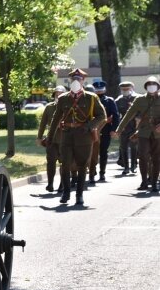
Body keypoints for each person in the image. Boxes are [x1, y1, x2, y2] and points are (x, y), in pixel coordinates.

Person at [48, 68, 106, 206]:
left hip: (84, 137)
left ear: (83, 81)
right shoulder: (63, 98)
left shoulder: (91, 97)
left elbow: (102, 116)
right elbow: (56, 119)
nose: (76, 81)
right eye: (74, 79)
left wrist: (89, 126)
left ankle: (79, 194)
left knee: (82, 166)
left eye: (78, 79)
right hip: (67, 136)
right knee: (65, 164)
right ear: (70, 81)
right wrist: (50, 137)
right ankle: (66, 192)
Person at [112, 76, 160, 192]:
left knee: (156, 158)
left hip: (158, 133)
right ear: (146, 87)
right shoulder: (140, 100)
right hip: (143, 132)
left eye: (154, 84)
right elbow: (128, 115)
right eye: (149, 84)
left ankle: (154, 182)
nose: (151, 86)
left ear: (158, 87)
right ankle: (144, 182)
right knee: (143, 156)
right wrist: (119, 130)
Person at [36, 86, 67, 193]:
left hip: (65, 140)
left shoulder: (69, 107)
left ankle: (62, 185)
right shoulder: (49, 107)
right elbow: (43, 123)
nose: (58, 95)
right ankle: (50, 184)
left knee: (64, 163)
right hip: (51, 139)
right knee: (50, 162)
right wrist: (39, 137)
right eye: (56, 94)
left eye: (61, 94)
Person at [89, 80, 120, 183]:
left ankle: (102, 173)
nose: (99, 92)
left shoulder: (109, 100)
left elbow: (115, 116)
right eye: (97, 91)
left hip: (105, 129)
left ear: (104, 90)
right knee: (92, 152)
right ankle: (92, 172)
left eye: (100, 90)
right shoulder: (90, 99)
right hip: (91, 129)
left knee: (103, 151)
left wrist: (113, 129)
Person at [115, 81, 138, 175]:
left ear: (132, 88)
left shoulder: (137, 98)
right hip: (124, 126)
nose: (125, 91)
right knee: (123, 147)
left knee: (134, 147)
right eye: (123, 89)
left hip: (135, 125)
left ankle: (133, 166)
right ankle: (126, 167)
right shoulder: (118, 100)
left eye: (127, 89)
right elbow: (116, 115)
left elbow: (142, 111)